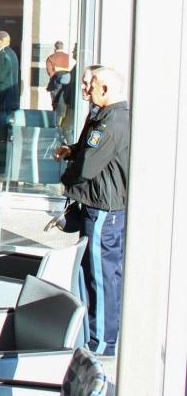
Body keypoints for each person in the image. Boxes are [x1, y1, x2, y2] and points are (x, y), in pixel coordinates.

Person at [54, 66, 128, 356]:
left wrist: (67, 175)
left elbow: (87, 167)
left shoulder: (112, 122)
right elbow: (87, 152)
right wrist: (73, 151)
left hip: (103, 211)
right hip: (97, 208)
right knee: (92, 274)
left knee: (101, 276)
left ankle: (103, 342)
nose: (85, 89)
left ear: (106, 90)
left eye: (91, 84)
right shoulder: (103, 116)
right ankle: (96, 335)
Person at [0, 31, 20, 163]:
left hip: (4, 100)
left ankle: (0, 161)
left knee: (1, 133)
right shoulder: (12, 54)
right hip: (11, 100)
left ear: (2, 41)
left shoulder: (2, 56)